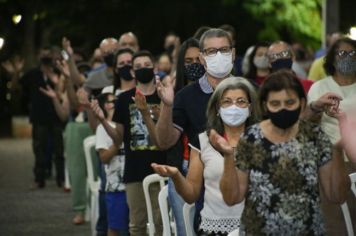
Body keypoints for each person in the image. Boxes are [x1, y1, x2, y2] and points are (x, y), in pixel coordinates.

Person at [214, 70, 350, 235]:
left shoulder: (315, 136)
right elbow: (232, 198)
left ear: (301, 103)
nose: (283, 109)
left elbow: (337, 196)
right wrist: (228, 156)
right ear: (265, 105)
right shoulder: (251, 138)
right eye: (275, 104)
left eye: (290, 102)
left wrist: (337, 150)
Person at [153, 77, 258, 235]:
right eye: (227, 102)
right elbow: (191, 194)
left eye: (241, 101)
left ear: (250, 108)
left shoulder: (262, 140)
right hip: (214, 229)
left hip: (255, 227)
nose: (234, 107)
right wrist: (176, 176)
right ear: (217, 108)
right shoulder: (203, 141)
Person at [155, 28, 236, 233]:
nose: (218, 55)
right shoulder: (186, 96)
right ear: (201, 57)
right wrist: (166, 105)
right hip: (206, 198)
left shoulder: (250, 90)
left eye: (224, 50)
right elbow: (165, 141)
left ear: (233, 54)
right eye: (211, 51)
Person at [91, 50, 166, 236]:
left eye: (147, 65)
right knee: (137, 225)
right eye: (138, 66)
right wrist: (102, 120)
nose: (143, 69)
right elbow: (118, 139)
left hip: (161, 167)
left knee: (160, 223)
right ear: (132, 71)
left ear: (155, 67)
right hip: (134, 170)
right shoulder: (124, 99)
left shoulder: (164, 96)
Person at [307, 37, 356, 235]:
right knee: (337, 221)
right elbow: (307, 123)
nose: (348, 58)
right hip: (333, 162)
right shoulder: (320, 87)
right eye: (342, 53)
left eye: (353, 53)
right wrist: (317, 107)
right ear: (332, 59)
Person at [20, 48, 66, 189]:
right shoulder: (33, 74)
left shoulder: (58, 73)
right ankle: (39, 179)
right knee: (39, 148)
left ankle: (61, 179)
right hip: (39, 117)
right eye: (44, 55)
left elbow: (62, 95)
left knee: (59, 150)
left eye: (49, 55)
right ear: (38, 56)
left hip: (56, 117)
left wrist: (55, 79)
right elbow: (20, 88)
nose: (46, 58)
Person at [95, 92, 129, 236]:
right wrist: (118, 142)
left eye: (116, 101)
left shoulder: (127, 124)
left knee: (134, 227)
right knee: (114, 227)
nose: (115, 104)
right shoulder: (102, 128)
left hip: (133, 184)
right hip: (116, 187)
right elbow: (103, 158)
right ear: (104, 107)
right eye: (111, 101)